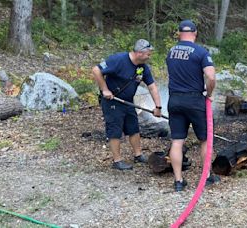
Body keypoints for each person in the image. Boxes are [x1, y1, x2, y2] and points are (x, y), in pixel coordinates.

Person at [166, 20, 220, 191]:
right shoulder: (201, 52)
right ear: (195, 33)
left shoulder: (171, 51)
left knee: (177, 141)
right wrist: (209, 94)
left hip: (174, 100)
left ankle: (178, 181)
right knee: (205, 140)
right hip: (194, 100)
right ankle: (208, 176)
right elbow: (211, 77)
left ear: (179, 33)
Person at [92, 39, 162, 170]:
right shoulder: (118, 60)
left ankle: (138, 155)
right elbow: (96, 70)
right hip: (112, 101)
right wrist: (104, 89)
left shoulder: (142, 68)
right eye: (148, 54)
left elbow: (152, 87)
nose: (149, 56)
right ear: (140, 53)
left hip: (128, 101)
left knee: (133, 128)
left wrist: (158, 107)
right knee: (115, 130)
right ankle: (117, 161)